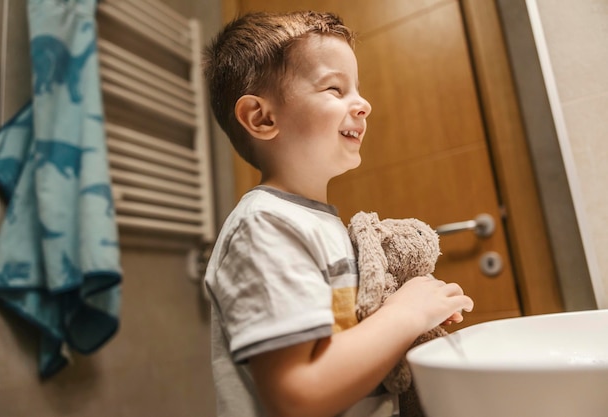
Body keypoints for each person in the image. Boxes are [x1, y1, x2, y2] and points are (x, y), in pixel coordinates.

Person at [202, 10, 474, 417]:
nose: (362, 103)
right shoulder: (265, 226)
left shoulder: (319, 223)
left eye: (357, 88)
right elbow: (299, 393)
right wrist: (405, 314)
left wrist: (408, 314)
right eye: (335, 88)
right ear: (262, 118)